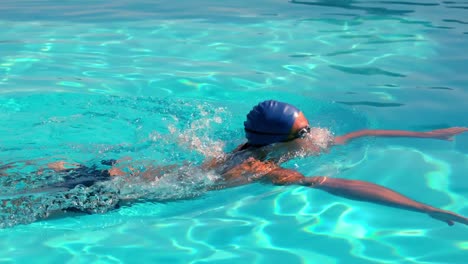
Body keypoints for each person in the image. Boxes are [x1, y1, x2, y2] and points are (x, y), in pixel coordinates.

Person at [6, 100, 468, 226]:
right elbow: (337, 186)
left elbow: (358, 134)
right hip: (108, 195)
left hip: (109, 171)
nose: (319, 136)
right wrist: (424, 208)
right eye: (306, 132)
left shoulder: (246, 148)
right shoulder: (260, 170)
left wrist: (428, 134)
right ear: (282, 143)